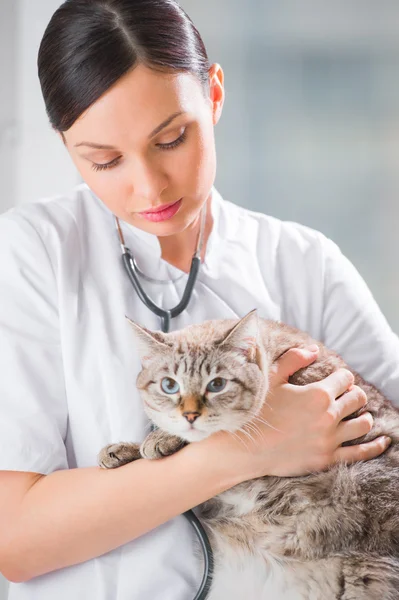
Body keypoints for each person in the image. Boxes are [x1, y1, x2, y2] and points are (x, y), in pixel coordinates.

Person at [0, 0, 398, 598]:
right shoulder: (34, 252)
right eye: (103, 160)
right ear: (66, 144)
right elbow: (19, 541)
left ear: (213, 95)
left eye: (172, 139)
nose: (148, 186)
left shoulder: (303, 261)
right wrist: (243, 450)